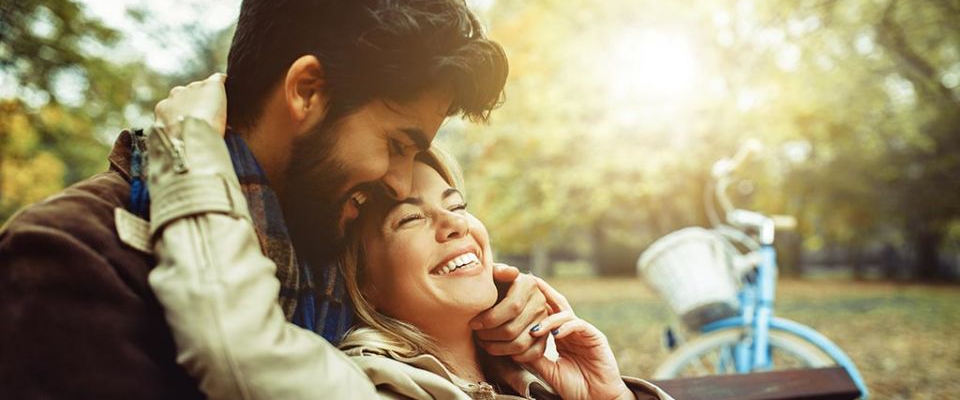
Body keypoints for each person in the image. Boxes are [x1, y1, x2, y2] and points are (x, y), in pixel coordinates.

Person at [0, 0, 548, 397]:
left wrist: (499, 327)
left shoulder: (330, 240)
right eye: (396, 144)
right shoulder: (73, 254)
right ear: (307, 91)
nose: (399, 181)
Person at [145, 79, 672, 399]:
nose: (454, 225)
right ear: (364, 282)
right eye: (409, 220)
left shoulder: (535, 378)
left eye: (457, 206)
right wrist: (188, 145)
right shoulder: (371, 383)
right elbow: (241, 351)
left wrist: (608, 397)